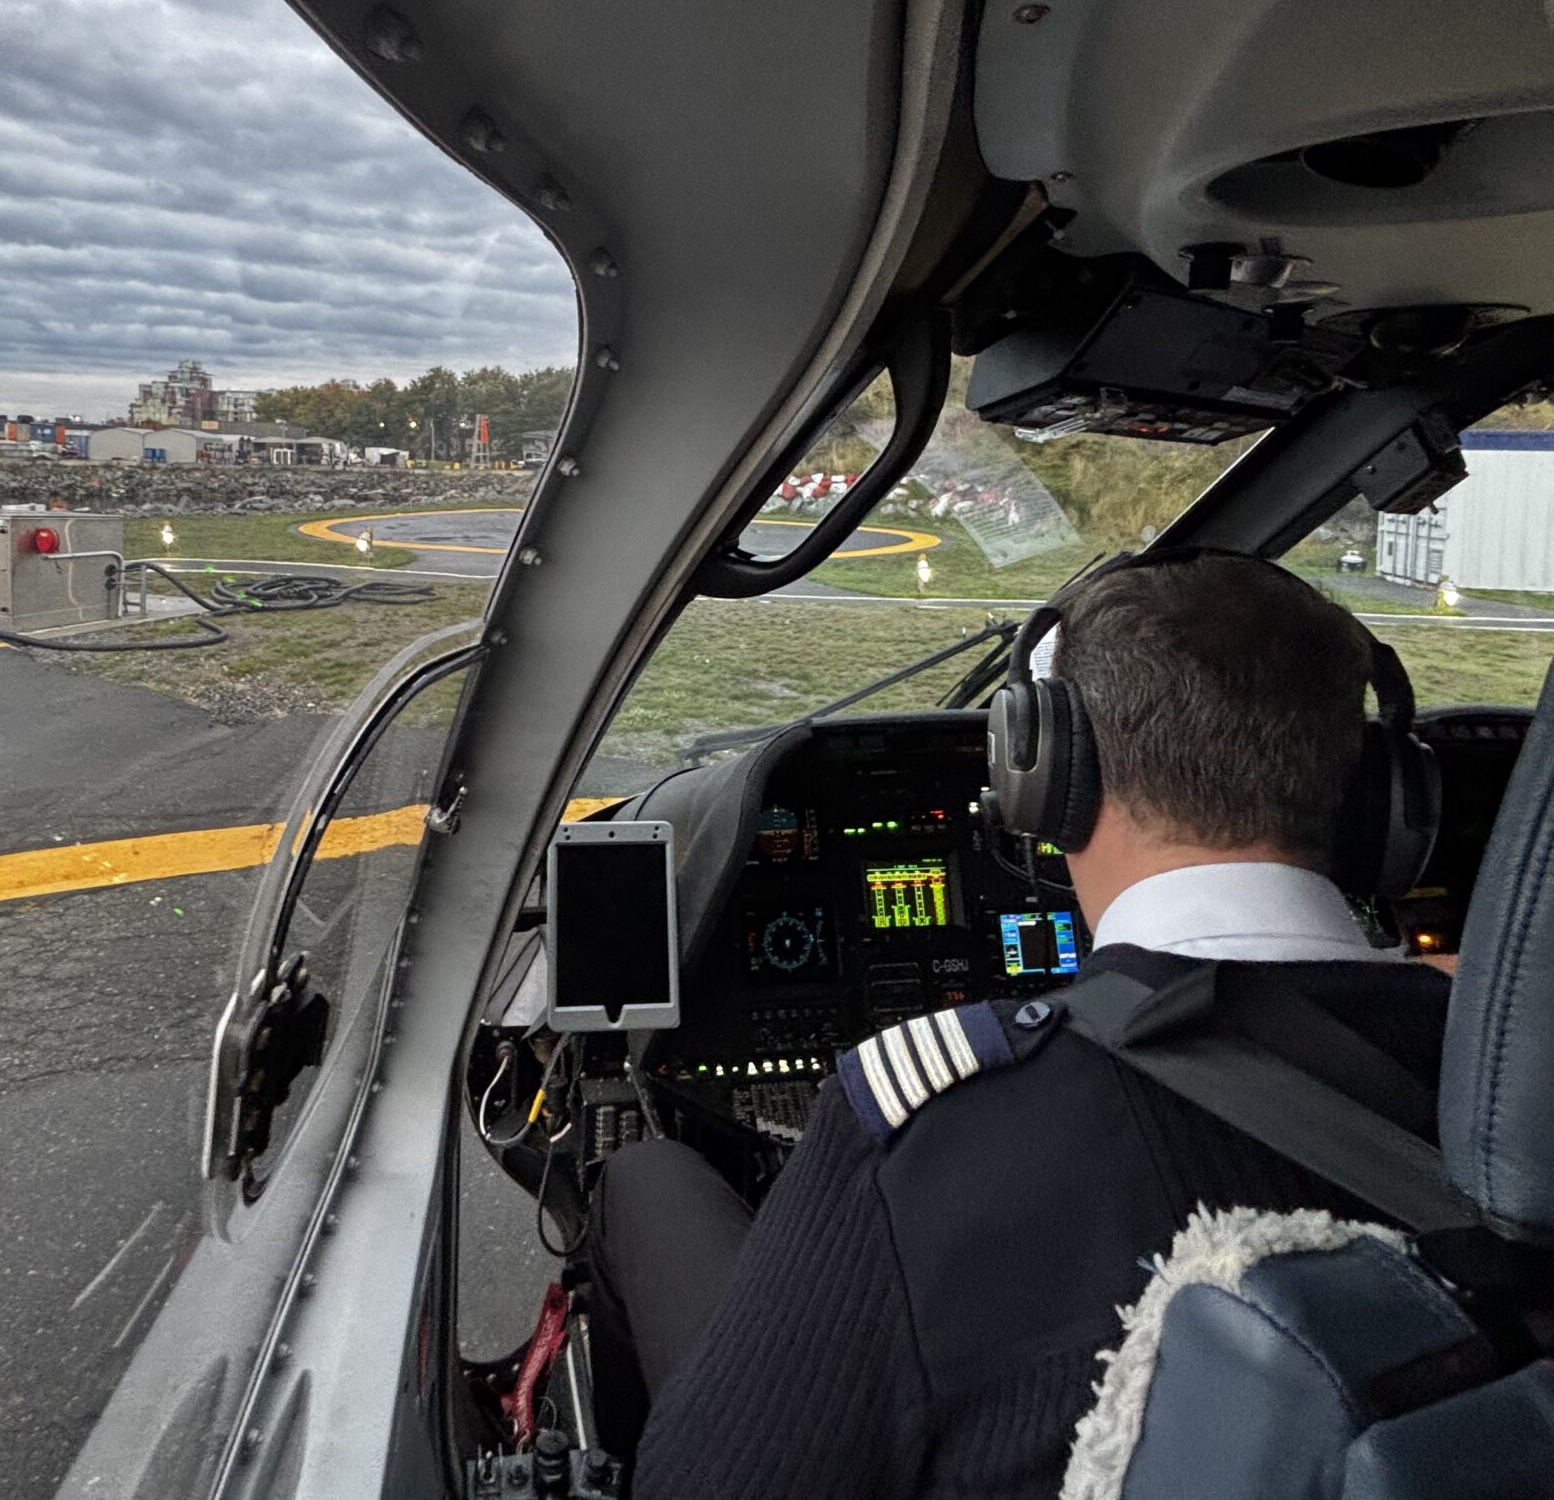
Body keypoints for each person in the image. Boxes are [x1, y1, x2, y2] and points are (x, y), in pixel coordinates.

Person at [588, 552, 1452, 1499]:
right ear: (1378, 798)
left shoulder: (923, 1120)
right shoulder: (1521, 1092)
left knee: (645, 1175)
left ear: (1050, 776)